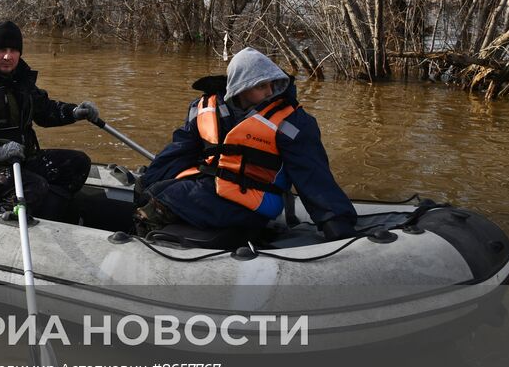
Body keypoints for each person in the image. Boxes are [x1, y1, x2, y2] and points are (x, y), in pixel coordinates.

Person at [138, 47, 358, 241]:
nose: (270, 91)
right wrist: (148, 180)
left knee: (166, 199)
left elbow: (313, 174)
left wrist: (335, 222)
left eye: (272, 84)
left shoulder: (291, 123)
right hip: (216, 186)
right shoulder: (207, 108)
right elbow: (179, 150)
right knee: (155, 189)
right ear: (241, 87)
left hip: (253, 200)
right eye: (261, 86)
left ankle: (150, 243)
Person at [0, 20, 99, 222]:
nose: (8, 56)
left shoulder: (19, 78)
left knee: (77, 163)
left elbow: (44, 110)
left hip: (19, 159)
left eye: (14, 50)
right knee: (33, 185)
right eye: (1, 50)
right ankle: (4, 217)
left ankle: (50, 214)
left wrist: (74, 112)